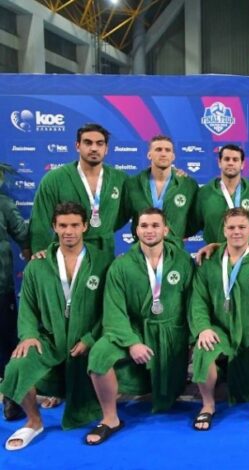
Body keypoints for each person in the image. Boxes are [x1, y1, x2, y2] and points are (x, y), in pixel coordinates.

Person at [1, 202, 109, 450]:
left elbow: (110, 308)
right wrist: (29, 334)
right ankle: (34, 421)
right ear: (54, 227)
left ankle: (107, 414)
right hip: (50, 338)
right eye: (63, 225)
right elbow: (27, 306)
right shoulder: (38, 265)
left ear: (85, 226)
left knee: (105, 356)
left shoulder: (102, 262)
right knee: (17, 365)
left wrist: (90, 338)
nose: (69, 231)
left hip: (87, 337)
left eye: (74, 225)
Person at [85, 208, 193, 445]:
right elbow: (114, 312)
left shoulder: (183, 261)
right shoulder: (121, 266)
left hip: (170, 335)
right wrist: (132, 342)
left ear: (166, 230)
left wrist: (192, 339)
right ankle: (110, 418)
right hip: (133, 331)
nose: (149, 230)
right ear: (136, 230)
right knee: (100, 355)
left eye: (155, 225)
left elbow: (194, 304)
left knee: (170, 397)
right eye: (144, 226)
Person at [188, 208, 249, 430]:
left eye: (241, 227)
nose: (236, 232)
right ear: (224, 231)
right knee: (203, 350)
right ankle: (208, 405)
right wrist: (203, 328)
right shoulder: (210, 261)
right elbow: (198, 300)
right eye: (231, 227)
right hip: (220, 330)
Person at [29, 123, 128, 255]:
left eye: (99, 144)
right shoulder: (54, 179)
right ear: (77, 146)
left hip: (104, 253)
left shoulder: (120, 179)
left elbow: (124, 215)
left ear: (106, 149)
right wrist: (40, 249)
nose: (94, 148)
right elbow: (40, 219)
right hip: (65, 251)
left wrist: (104, 227)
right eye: (88, 143)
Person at [122, 135, 199, 246]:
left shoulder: (188, 185)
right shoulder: (133, 184)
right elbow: (121, 215)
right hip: (141, 249)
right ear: (149, 155)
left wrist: (177, 235)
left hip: (174, 250)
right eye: (158, 150)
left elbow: (195, 220)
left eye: (167, 150)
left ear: (173, 156)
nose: (163, 154)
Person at [192, 144, 249, 244]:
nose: (230, 163)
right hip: (215, 253)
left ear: (242, 164)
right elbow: (196, 224)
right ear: (219, 163)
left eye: (235, 160)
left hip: (248, 253)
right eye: (227, 159)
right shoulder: (204, 193)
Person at [0, 186, 30, 421]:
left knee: (7, 339)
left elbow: (24, 236)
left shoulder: (3, 203)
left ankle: (11, 395)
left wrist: (36, 257)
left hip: (1, 287)